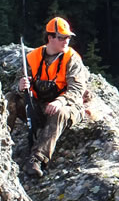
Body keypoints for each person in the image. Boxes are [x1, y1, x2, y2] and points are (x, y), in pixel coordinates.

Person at [12, 16, 88, 178]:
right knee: (10, 99)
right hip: (40, 106)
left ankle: (37, 159)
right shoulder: (32, 58)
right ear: (50, 38)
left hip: (68, 107)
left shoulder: (72, 59)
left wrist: (61, 101)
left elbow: (77, 89)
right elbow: (17, 85)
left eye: (68, 37)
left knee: (60, 113)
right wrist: (20, 87)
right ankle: (0, 143)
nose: (66, 41)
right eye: (61, 37)